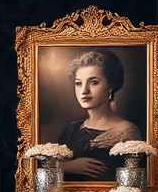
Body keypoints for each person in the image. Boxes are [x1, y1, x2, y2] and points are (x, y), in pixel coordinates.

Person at [58, 48, 141, 180]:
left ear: (111, 86)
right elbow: (48, 169)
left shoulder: (127, 131)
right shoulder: (70, 129)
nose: (84, 90)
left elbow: (128, 180)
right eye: (78, 83)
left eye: (94, 82)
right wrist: (69, 167)